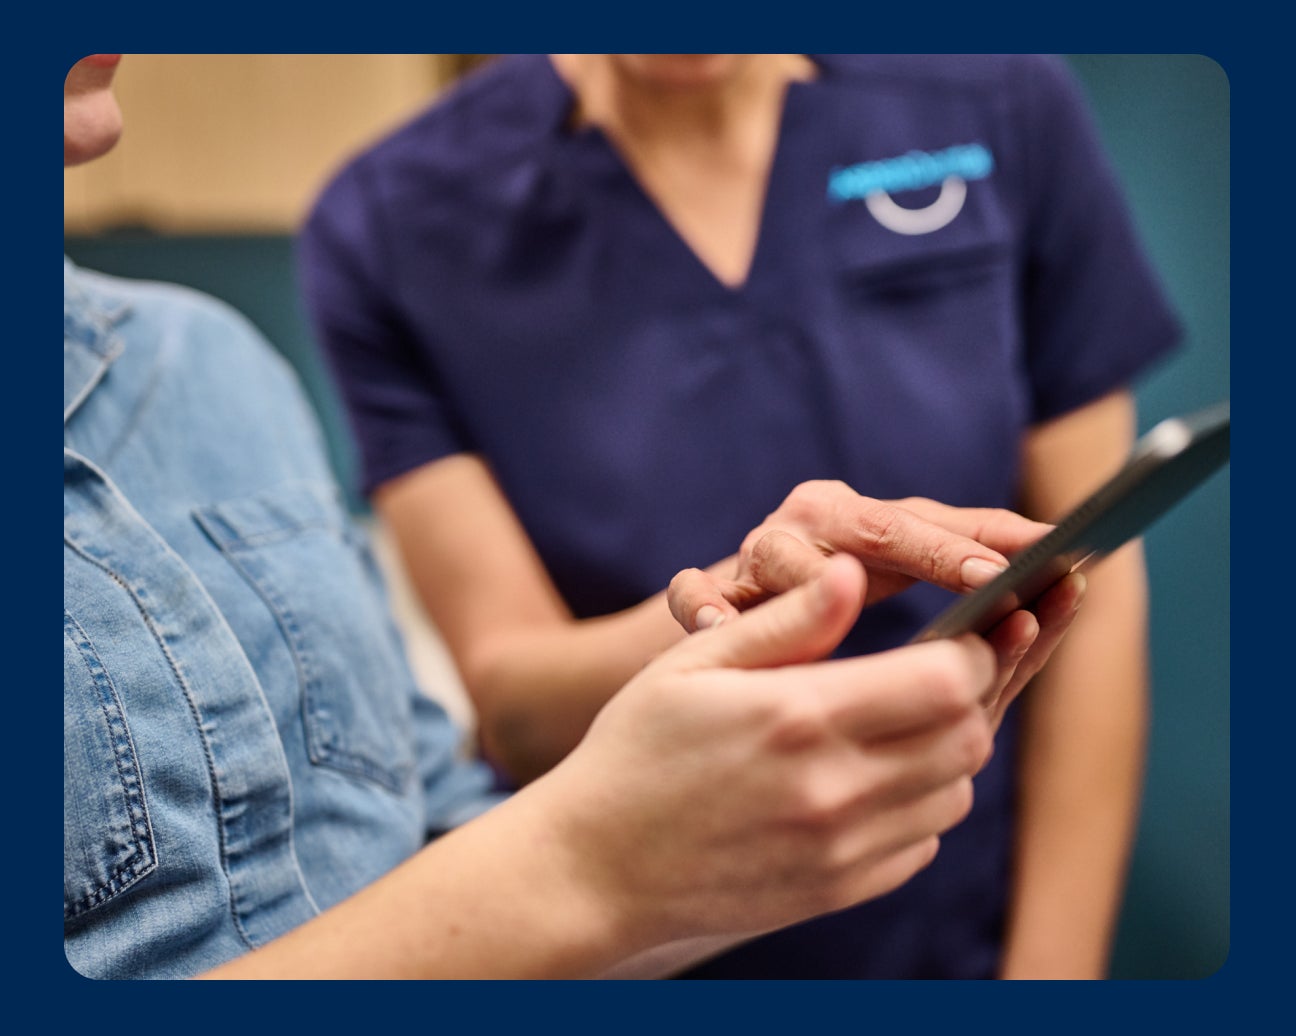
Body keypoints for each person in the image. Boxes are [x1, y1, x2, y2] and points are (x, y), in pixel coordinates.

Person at [64, 53, 1083, 981]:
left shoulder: (213, 369)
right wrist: (587, 865)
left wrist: (734, 620)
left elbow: (416, 830)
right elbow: (515, 777)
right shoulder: (394, 219)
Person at [299, 53, 1183, 979]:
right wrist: (738, 602)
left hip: (961, 923)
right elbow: (516, 710)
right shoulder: (390, 225)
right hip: (642, 947)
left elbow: (1091, 579)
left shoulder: (993, 98)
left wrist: (1052, 970)